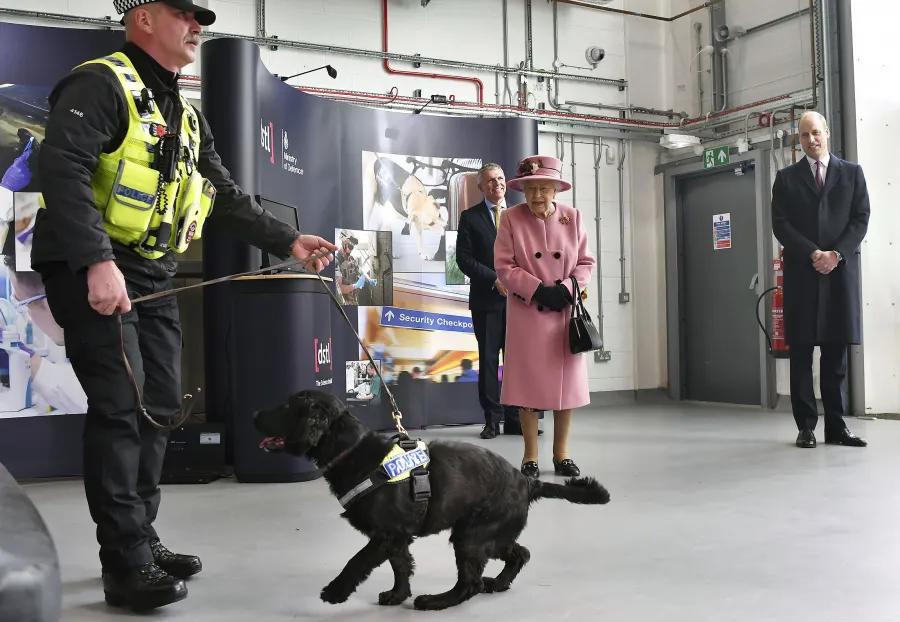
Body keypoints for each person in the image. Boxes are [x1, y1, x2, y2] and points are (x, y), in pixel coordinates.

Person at [30, 0, 337, 612]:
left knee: (159, 406)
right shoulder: (99, 83)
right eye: (185, 13)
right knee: (121, 407)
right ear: (143, 17)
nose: (198, 25)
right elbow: (60, 169)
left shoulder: (185, 116)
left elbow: (222, 194)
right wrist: (96, 261)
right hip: (93, 267)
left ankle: (140, 535)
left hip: (152, 272)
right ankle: (124, 561)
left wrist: (288, 239)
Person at [771, 110, 870, 449]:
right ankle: (806, 427)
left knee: (835, 353)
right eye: (803, 135)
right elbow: (780, 224)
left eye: (815, 133)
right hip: (803, 274)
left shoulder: (852, 174)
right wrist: (813, 253)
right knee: (800, 353)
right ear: (798, 140)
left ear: (826, 132)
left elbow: (860, 219)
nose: (810, 140)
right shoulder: (786, 178)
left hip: (839, 274)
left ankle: (837, 427)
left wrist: (836, 254)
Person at [494, 155, 595, 478]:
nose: (537, 196)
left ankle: (562, 455)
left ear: (555, 190)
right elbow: (504, 265)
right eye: (530, 189)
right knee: (529, 390)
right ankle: (530, 457)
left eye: (543, 188)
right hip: (528, 313)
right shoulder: (510, 218)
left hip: (564, 313)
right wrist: (537, 290)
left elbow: (586, 262)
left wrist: (568, 288)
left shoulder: (573, 217)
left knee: (564, 391)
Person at [455, 163, 529, 439]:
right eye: (490, 181)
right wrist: (493, 279)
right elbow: (464, 259)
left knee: (516, 362)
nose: (496, 184)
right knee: (488, 362)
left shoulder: (521, 215)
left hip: (518, 301)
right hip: (487, 301)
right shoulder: (469, 217)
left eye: (500, 179)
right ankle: (492, 420)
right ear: (481, 187)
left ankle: (514, 419)